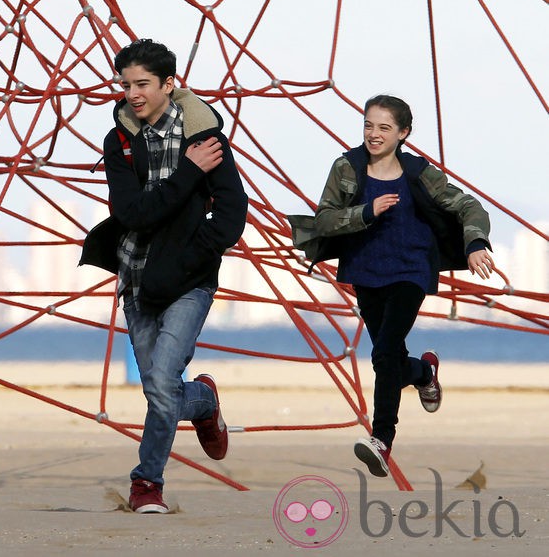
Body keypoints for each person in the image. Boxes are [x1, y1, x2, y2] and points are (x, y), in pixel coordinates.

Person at [80, 39, 248, 512]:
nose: (132, 94)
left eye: (142, 84)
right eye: (125, 84)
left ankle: (146, 482)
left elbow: (233, 210)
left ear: (168, 85)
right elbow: (133, 213)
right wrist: (187, 175)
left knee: (158, 383)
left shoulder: (204, 135)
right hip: (136, 276)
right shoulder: (120, 141)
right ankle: (203, 403)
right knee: (162, 387)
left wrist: (201, 251)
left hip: (191, 277)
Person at [289, 94, 495, 477]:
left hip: (411, 270)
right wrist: (366, 212)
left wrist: (475, 243)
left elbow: (468, 206)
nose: (374, 134)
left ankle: (381, 439)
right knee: (391, 360)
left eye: (384, 127)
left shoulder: (419, 173)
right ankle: (422, 373)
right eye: (368, 125)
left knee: (383, 353)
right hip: (364, 271)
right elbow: (324, 220)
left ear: (403, 133)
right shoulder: (347, 167)